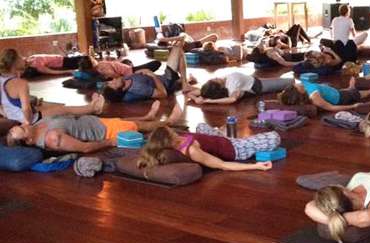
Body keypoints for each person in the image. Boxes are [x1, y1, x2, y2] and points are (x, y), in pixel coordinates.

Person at [6, 102, 181, 154]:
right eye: (22, 129)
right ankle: (170, 122)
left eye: (19, 126)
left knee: (123, 120)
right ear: (28, 140)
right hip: (104, 132)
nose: (23, 124)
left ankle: (147, 116)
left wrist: (91, 107)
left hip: (95, 122)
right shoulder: (52, 138)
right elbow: (85, 148)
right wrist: (111, 141)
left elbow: (65, 111)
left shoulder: (37, 125)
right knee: (141, 127)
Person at [0, 49, 105, 125]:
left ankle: (90, 109)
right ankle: (93, 108)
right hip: (28, 119)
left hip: (13, 116)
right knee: (64, 109)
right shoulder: (20, 84)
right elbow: (26, 109)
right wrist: (28, 124)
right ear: (16, 65)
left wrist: (7, 114)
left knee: (52, 105)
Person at [138, 125, 281, 172]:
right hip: (235, 148)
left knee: (201, 126)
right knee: (275, 137)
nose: (174, 132)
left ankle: (222, 133)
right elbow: (222, 165)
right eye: (172, 132)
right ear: (169, 140)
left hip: (221, 139)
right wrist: (256, 166)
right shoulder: (192, 151)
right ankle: (228, 136)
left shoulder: (177, 140)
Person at [103, 39, 191, 103]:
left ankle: (184, 81)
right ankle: (184, 84)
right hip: (167, 82)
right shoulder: (138, 88)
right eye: (114, 84)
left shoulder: (125, 80)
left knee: (169, 60)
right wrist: (151, 74)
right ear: (121, 89)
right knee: (177, 49)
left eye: (111, 82)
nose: (113, 80)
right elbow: (163, 94)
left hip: (162, 77)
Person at [279, 77, 370, 113]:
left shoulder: (303, 86)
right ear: (299, 92)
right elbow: (331, 107)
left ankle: (350, 88)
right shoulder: (314, 97)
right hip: (340, 98)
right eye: (296, 86)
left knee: (348, 90)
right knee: (355, 93)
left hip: (333, 91)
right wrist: (353, 106)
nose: (296, 84)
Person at [187, 72, 294, 106]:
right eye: (216, 80)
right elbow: (232, 99)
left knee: (283, 80)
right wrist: (208, 101)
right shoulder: (232, 82)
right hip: (258, 86)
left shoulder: (209, 90)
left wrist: (196, 99)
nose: (216, 77)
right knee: (290, 82)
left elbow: (189, 93)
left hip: (251, 80)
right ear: (220, 86)